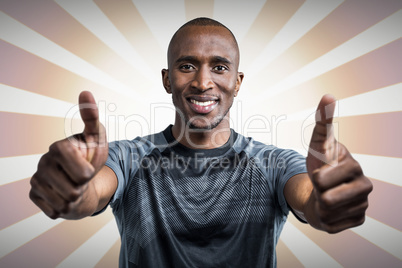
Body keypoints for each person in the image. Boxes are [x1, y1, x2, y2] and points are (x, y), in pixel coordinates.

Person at [30, 18, 373, 267]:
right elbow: (91, 193)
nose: (203, 82)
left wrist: (328, 205)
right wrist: (72, 190)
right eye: (187, 66)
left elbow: (310, 201)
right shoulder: (130, 157)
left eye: (220, 68)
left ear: (238, 82)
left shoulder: (275, 163)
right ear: (167, 79)